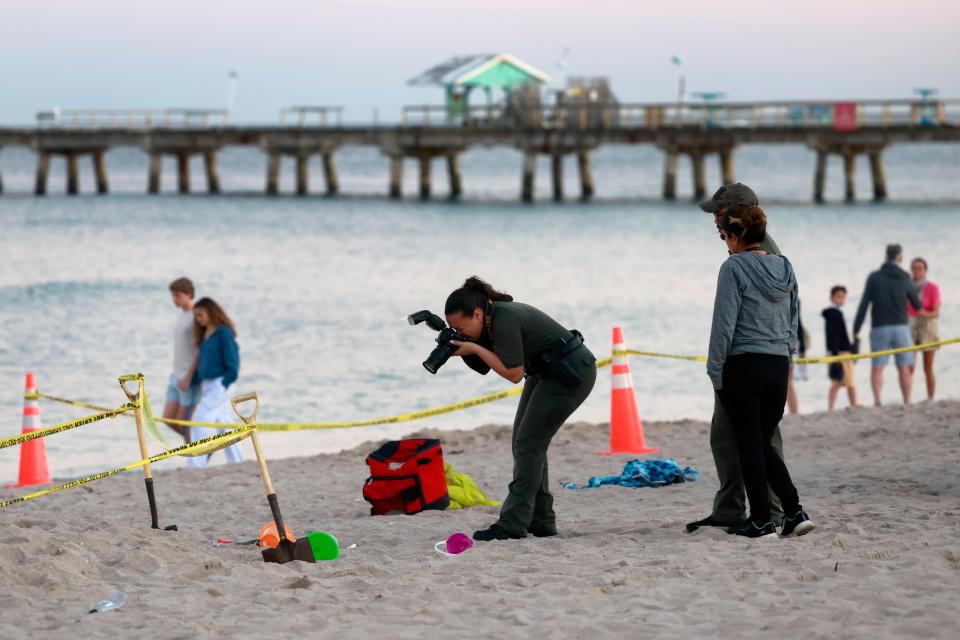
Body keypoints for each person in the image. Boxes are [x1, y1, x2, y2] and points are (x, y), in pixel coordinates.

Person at [441, 276, 597, 541]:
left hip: (570, 374)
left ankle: (512, 524)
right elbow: (496, 363)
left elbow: (513, 373)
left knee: (528, 444)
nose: (459, 332)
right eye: (452, 328)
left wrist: (475, 348)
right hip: (544, 373)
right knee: (524, 443)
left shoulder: (504, 319)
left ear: (477, 314)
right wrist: (468, 347)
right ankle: (541, 520)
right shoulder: (490, 319)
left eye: (460, 326)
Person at [706, 206, 814, 538]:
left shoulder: (733, 268)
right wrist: (788, 359)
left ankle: (764, 520)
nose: (725, 242)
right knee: (759, 442)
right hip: (777, 366)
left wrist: (714, 369)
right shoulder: (784, 266)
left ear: (736, 236)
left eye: (725, 236)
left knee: (751, 444)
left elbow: (724, 324)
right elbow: (793, 317)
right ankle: (792, 513)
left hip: (744, 366)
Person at [687, 183, 786, 534]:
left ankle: (772, 512)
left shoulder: (756, 254)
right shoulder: (744, 249)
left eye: (717, 213)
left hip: (746, 363)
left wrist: (717, 367)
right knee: (725, 435)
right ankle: (731, 508)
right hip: (752, 360)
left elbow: (734, 318)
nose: (713, 220)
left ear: (735, 215)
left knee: (761, 437)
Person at [852, 244, 922, 406]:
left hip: (880, 327)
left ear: (885, 256)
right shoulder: (905, 277)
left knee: (878, 367)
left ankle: (877, 401)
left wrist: (856, 329)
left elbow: (864, 304)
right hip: (901, 328)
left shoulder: (874, 277)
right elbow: (917, 305)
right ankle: (907, 400)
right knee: (904, 367)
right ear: (901, 258)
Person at [187, 297, 244, 468]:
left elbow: (233, 361)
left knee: (200, 419)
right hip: (208, 384)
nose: (198, 319)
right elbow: (205, 363)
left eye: (200, 315)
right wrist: (191, 381)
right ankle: (237, 462)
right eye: (196, 316)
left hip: (221, 382)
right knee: (225, 424)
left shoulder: (223, 333)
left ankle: (196, 464)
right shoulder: (206, 334)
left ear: (211, 312)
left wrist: (226, 382)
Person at [163, 277, 200, 443]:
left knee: (184, 422)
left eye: (177, 295)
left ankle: (195, 458)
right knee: (168, 419)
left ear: (189, 294)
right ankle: (201, 447)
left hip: (188, 376)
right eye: (173, 295)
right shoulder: (181, 314)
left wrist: (189, 377)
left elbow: (201, 349)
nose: (174, 299)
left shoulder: (196, 316)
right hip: (176, 374)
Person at [908, 257, 941, 401]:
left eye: (920, 268)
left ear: (925, 270)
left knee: (928, 367)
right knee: (909, 366)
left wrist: (924, 313)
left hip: (927, 326)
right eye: (914, 268)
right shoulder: (906, 287)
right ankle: (907, 398)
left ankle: (930, 398)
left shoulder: (932, 288)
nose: (916, 271)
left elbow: (936, 312)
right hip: (910, 325)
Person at [822, 286, 858, 411]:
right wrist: (835, 354)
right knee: (850, 383)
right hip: (840, 352)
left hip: (836, 352)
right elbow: (834, 335)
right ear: (832, 297)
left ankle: (831, 409)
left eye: (843, 297)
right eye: (838, 296)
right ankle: (854, 406)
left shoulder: (833, 313)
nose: (841, 299)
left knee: (836, 383)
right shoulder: (835, 314)